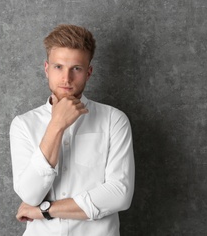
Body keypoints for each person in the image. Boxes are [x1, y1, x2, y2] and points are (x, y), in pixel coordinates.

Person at [10, 24, 135, 236]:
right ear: (47, 69)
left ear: (89, 72)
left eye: (76, 68)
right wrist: (56, 125)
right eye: (58, 67)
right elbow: (30, 195)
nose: (66, 78)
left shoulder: (114, 120)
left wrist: (46, 210)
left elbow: (119, 194)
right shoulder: (23, 124)